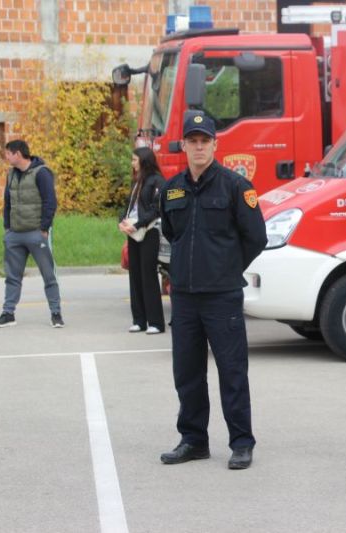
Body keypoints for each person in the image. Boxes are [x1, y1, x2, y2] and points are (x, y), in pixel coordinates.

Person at [158, 112, 267, 468]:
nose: (199, 147)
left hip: (222, 296)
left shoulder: (235, 186)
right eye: (193, 141)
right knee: (187, 373)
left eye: (205, 140)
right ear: (184, 145)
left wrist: (226, 267)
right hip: (185, 297)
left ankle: (241, 442)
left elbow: (256, 237)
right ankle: (193, 440)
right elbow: (172, 233)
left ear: (215, 145)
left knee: (232, 372)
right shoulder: (171, 189)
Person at [0, 140, 64, 328]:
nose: (6, 157)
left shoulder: (42, 173)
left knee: (49, 275)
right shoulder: (11, 174)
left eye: (8, 153)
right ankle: (8, 313)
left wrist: (44, 228)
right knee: (12, 277)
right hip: (14, 234)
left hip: (36, 233)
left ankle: (56, 313)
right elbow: (7, 202)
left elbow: (50, 202)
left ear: (17, 154)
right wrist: (7, 228)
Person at [119, 147, 166, 334]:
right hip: (133, 233)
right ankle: (139, 320)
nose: (132, 163)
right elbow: (128, 206)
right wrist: (121, 221)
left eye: (134, 160)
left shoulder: (157, 181)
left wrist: (139, 224)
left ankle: (156, 322)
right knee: (135, 275)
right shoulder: (136, 181)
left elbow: (156, 208)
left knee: (148, 275)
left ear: (144, 161)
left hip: (148, 231)